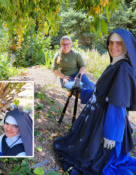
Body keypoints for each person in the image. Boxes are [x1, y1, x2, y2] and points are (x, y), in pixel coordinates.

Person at [53, 29, 136, 175]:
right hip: (96, 113)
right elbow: (102, 91)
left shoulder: (123, 69)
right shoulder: (116, 64)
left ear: (127, 45)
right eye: (111, 42)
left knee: (95, 157)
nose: (113, 47)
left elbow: (117, 104)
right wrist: (82, 93)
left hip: (106, 120)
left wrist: (111, 134)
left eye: (119, 43)